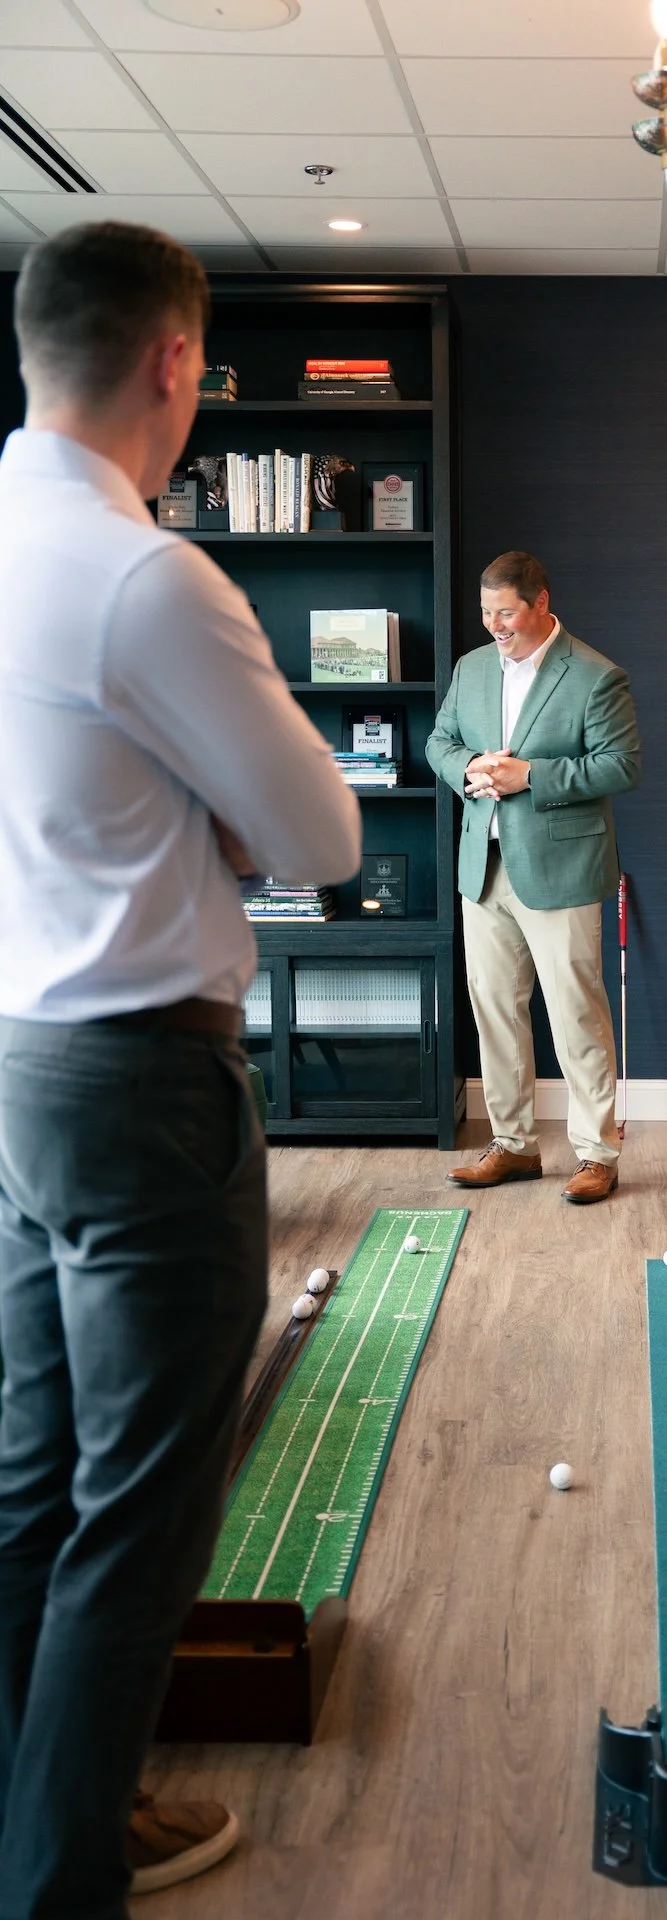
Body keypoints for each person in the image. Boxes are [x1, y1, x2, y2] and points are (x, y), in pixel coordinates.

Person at [0, 222, 361, 1916]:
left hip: (19, 1071)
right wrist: (220, 812)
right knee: (142, 1513)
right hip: (144, 1083)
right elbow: (322, 836)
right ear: (173, 363)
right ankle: (62, 1873)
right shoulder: (148, 576)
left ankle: (43, 1826)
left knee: (34, 1483)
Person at [428, 552, 640, 1203]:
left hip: (562, 871)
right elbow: (439, 741)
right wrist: (469, 766)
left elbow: (621, 764)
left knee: (576, 1014)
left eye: (506, 613)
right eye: (486, 613)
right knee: (494, 1011)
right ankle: (514, 1146)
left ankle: (597, 1154)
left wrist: (531, 777)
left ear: (541, 603)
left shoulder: (596, 675)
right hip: (484, 869)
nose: (494, 625)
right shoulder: (470, 669)